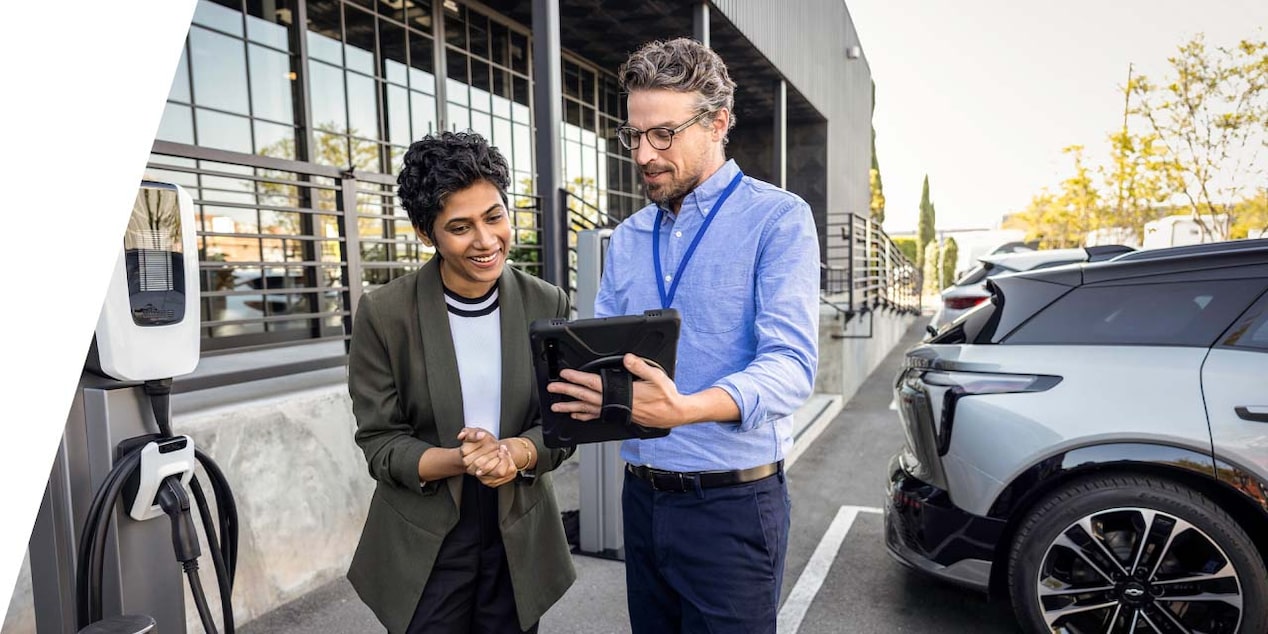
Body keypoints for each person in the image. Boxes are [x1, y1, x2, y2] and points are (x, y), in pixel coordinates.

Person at [546, 38, 820, 633]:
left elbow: (791, 366)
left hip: (733, 509)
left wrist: (684, 407)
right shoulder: (628, 236)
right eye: (634, 136)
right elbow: (602, 358)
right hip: (642, 502)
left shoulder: (778, 219)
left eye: (663, 134)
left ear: (718, 122)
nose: (644, 154)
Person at [346, 130, 575, 634]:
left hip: (517, 529)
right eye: (460, 226)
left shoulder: (548, 304)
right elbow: (381, 442)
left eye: (495, 216)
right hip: (425, 534)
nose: (486, 240)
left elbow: (560, 425)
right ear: (426, 233)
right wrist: (467, 460)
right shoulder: (384, 314)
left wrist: (513, 454)